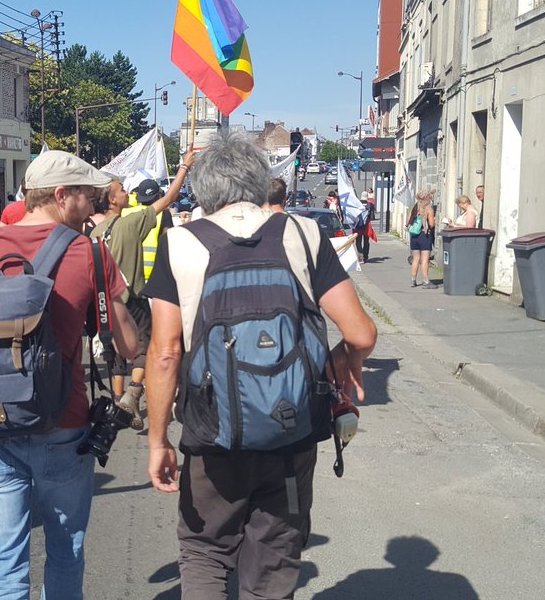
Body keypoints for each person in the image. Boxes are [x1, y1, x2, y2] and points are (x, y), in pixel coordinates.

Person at [143, 130, 376, 598]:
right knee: (275, 556)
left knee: (205, 551)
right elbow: (362, 334)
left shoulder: (180, 243)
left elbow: (166, 352)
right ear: (258, 183)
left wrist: (157, 442)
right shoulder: (305, 234)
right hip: (292, 429)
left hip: (212, 434)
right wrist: (336, 362)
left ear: (203, 191)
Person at [0, 150, 139, 600]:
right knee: (65, 552)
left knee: (4, 567)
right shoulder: (89, 252)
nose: (94, 204)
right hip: (62, 421)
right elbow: (128, 346)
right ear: (61, 196)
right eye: (88, 196)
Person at [90, 156, 195, 429]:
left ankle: (118, 403)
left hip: (103, 304)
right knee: (144, 348)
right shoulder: (131, 222)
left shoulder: (95, 233)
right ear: (112, 201)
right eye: (121, 190)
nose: (127, 192)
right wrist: (183, 167)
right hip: (131, 300)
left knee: (114, 355)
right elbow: (169, 197)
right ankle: (133, 393)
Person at [408, 190, 435, 288]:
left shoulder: (414, 208)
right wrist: (433, 220)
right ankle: (426, 280)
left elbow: (408, 221)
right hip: (424, 235)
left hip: (414, 235)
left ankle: (413, 280)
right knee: (425, 260)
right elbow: (431, 224)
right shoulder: (429, 209)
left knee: (415, 259)